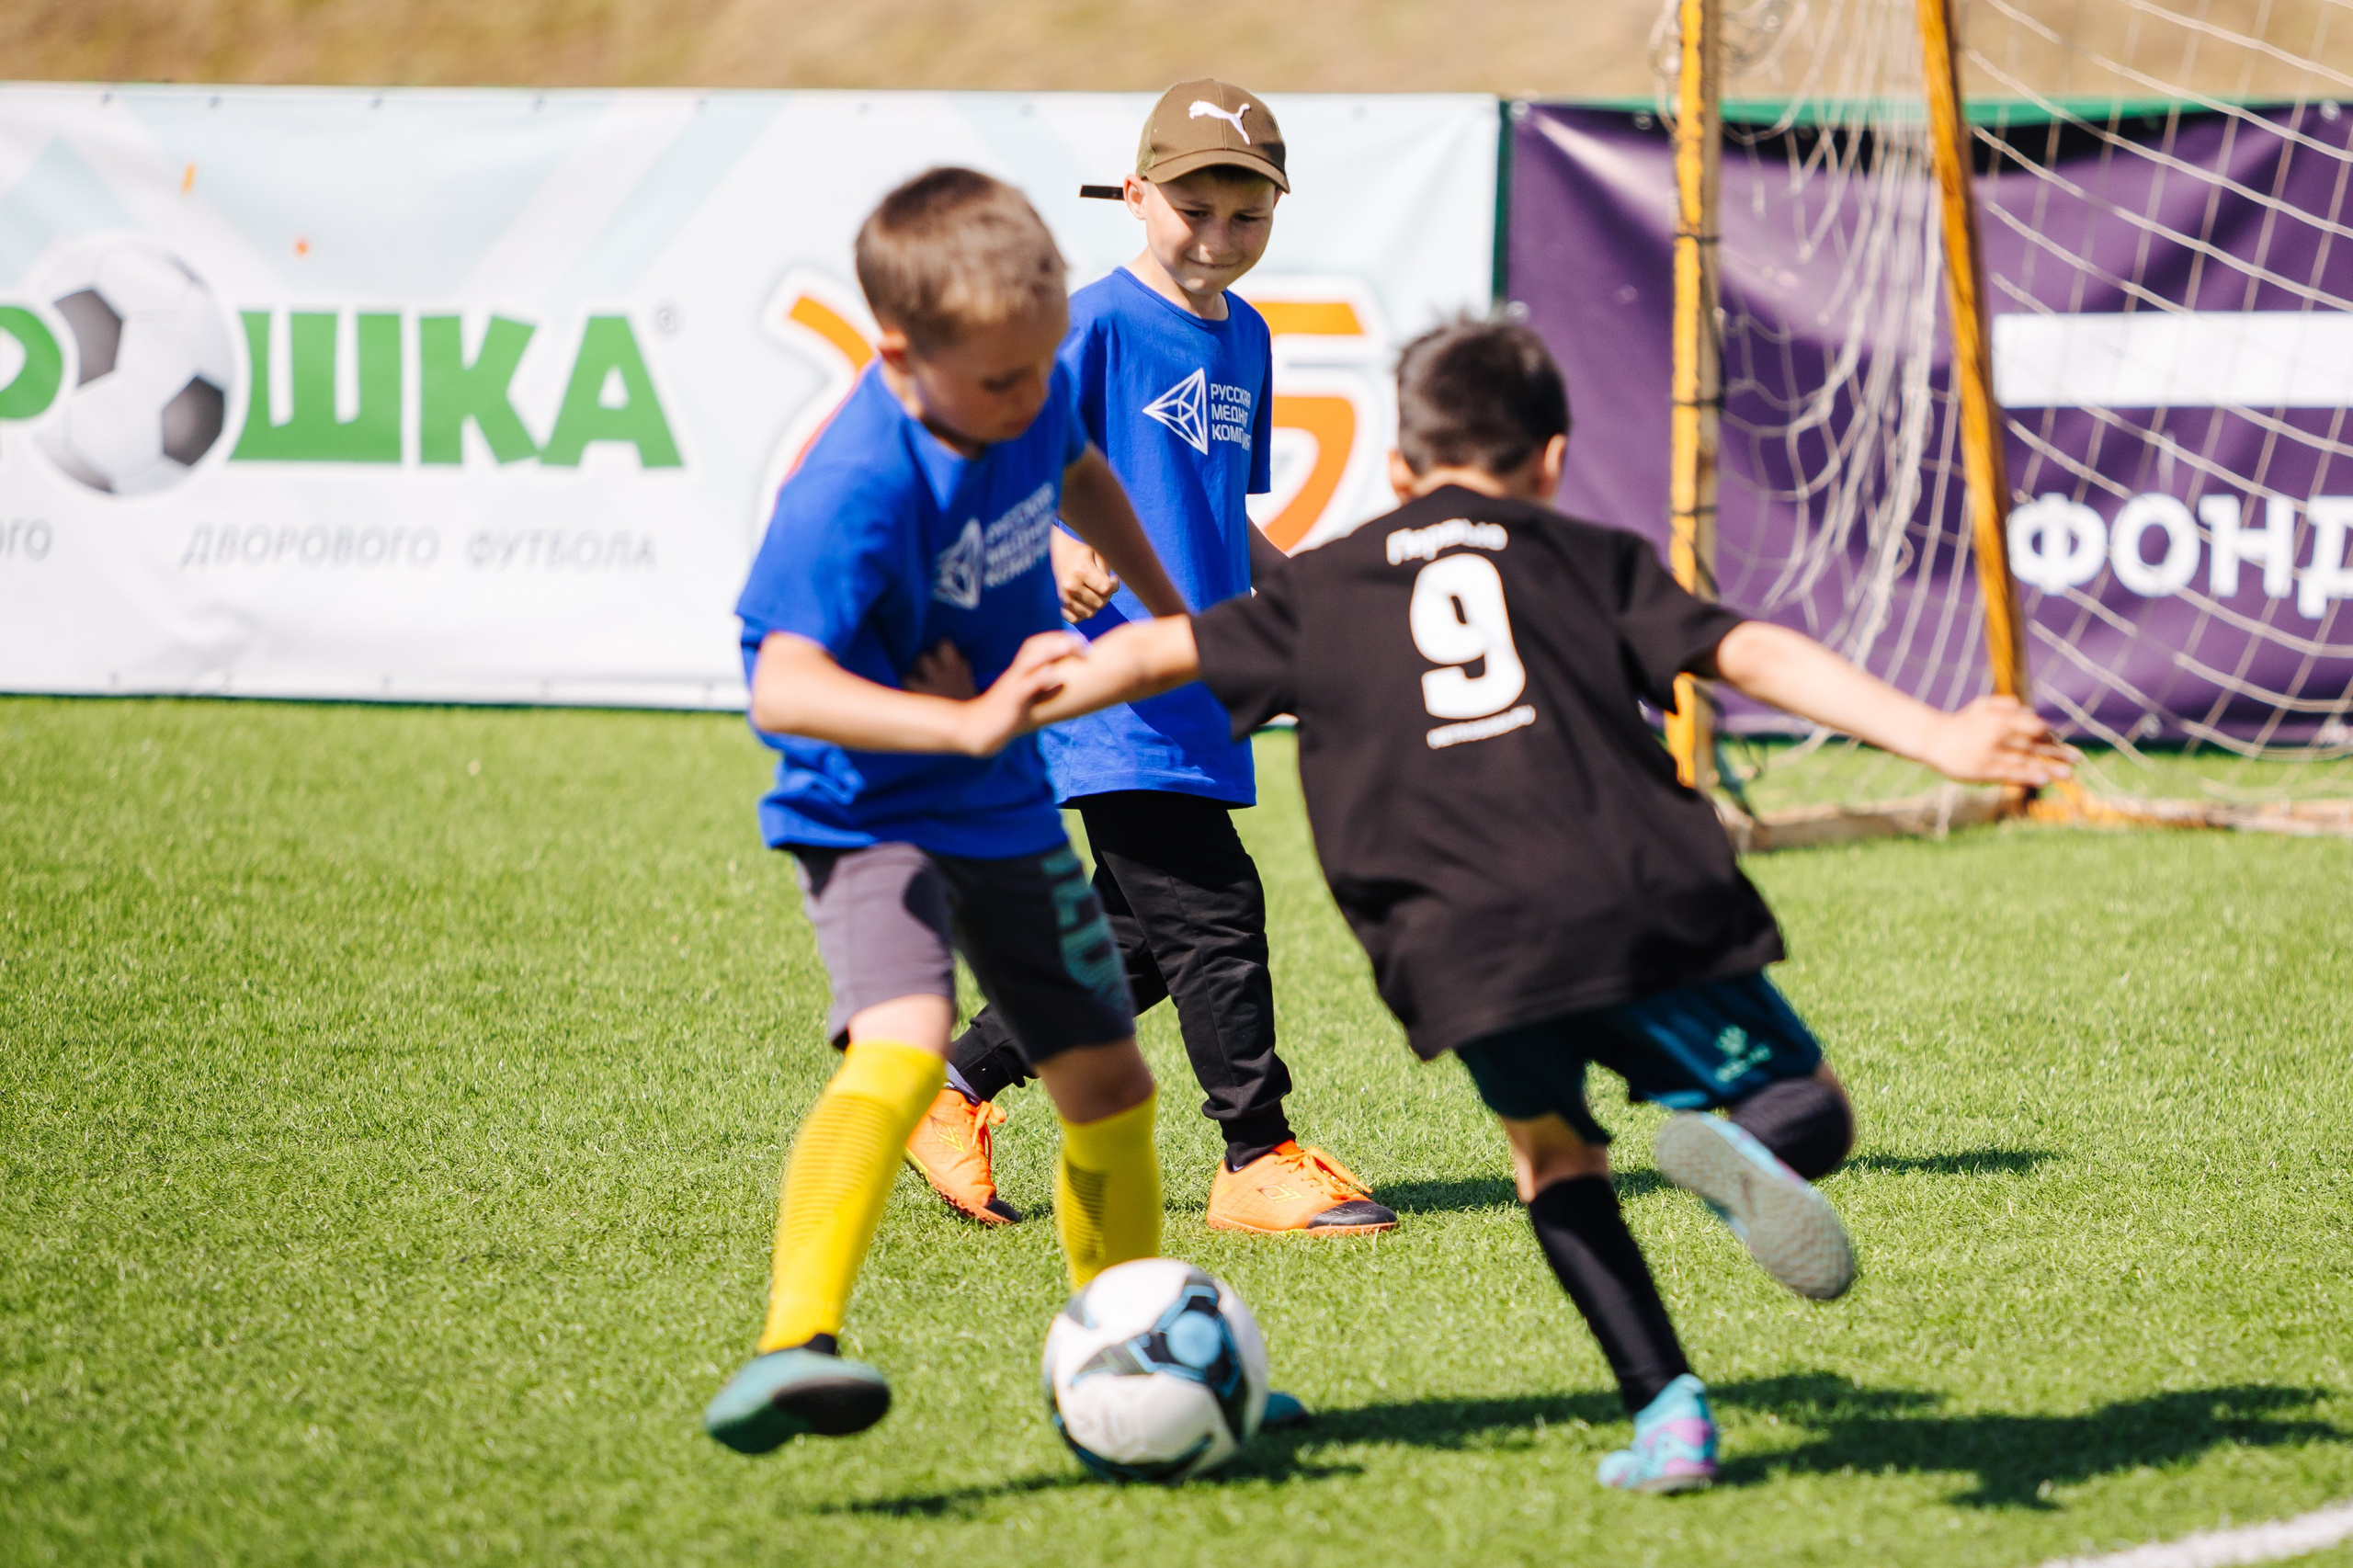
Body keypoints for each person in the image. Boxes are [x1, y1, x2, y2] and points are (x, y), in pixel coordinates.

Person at [1008, 317, 2076, 1490]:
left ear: (1398, 473)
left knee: (1551, 1162)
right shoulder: (1584, 553)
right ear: (1552, 462)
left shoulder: (1322, 588)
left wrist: (1005, 701)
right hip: (1633, 891)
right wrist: (1935, 732)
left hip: (1455, 944)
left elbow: (1159, 656)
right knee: (1809, 1111)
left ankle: (1669, 1415)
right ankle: (1734, 1141)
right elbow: (1745, 650)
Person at [700, 166, 1195, 1455]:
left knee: (1110, 1081)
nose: (1031, 400)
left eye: (1044, 370)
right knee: (908, 1037)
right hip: (870, 809)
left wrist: (1168, 607)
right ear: (899, 353)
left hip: (1005, 801)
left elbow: (1078, 466)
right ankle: (792, 1346)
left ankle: (1129, 1360)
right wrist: (963, 720)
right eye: (1000, 383)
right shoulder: (855, 483)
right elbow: (783, 682)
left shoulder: (1023, 380)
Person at [905, 79, 1399, 1240]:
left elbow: (1221, 520)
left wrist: (1316, 602)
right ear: (1135, 196)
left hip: (1200, 685)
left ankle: (951, 1092)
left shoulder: (1251, 337)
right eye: (1193, 207)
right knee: (1216, 904)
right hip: (1106, 686)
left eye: (1248, 214)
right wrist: (1054, 552)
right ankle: (1255, 1154)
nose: (1219, 237)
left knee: (1135, 938)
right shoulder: (1087, 326)